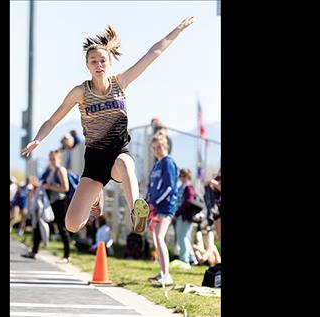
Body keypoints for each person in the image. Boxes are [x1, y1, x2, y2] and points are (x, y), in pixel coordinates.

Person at [21, 16, 195, 235]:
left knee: (125, 165)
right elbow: (53, 120)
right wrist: (38, 138)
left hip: (118, 153)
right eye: (93, 61)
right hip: (94, 162)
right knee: (72, 225)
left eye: (103, 60)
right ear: (87, 65)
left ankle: (136, 211)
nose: (99, 65)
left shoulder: (120, 82)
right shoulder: (80, 93)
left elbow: (153, 53)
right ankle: (96, 197)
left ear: (110, 62)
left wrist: (177, 29)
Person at [146, 134, 179, 286]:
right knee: (156, 240)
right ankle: (162, 272)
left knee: (159, 238)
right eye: (154, 148)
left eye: (159, 147)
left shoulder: (168, 163)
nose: (156, 150)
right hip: (155, 207)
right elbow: (151, 186)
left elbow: (170, 187)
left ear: (165, 146)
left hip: (165, 207)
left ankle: (167, 275)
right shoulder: (156, 165)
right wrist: (148, 202)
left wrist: (156, 202)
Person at [40, 150, 72, 263]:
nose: (51, 161)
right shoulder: (51, 171)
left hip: (60, 201)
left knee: (62, 228)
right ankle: (35, 249)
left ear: (59, 159)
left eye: (53, 158)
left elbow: (65, 188)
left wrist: (49, 186)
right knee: (43, 222)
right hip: (53, 202)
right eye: (50, 158)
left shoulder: (60, 170)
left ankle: (67, 255)